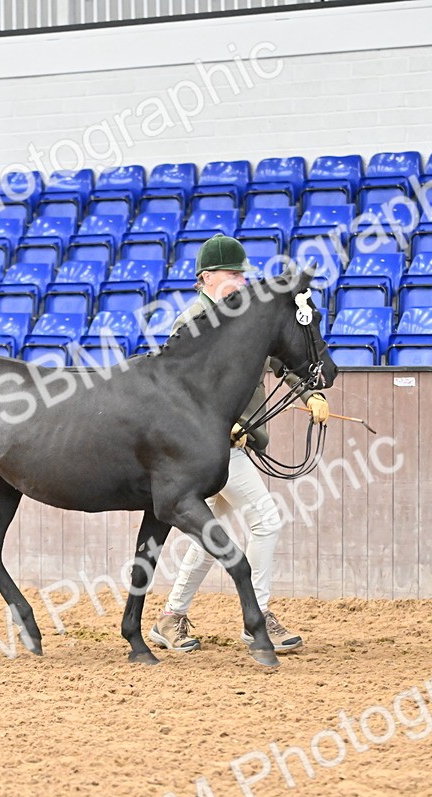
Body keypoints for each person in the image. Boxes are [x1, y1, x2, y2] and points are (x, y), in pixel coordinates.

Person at [149, 235, 329, 654]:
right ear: (207, 278)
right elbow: (179, 391)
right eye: (234, 274)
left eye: (244, 275)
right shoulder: (193, 322)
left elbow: (281, 360)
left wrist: (310, 394)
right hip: (211, 447)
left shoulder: (248, 316)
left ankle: (170, 618)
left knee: (208, 535)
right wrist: (223, 425)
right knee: (266, 520)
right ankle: (258, 619)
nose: (242, 282)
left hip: (237, 442)